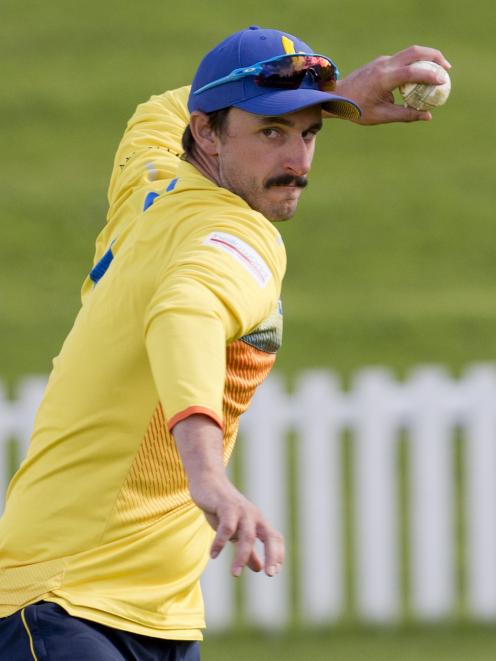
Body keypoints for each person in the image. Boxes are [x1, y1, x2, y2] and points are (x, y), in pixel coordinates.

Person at [0, 25, 450, 661]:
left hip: (151, 612)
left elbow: (160, 108)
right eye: (272, 134)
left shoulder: (153, 170)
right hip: (66, 602)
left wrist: (333, 92)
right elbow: (184, 314)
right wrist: (207, 474)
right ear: (207, 134)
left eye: (309, 131)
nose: (298, 160)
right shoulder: (237, 239)